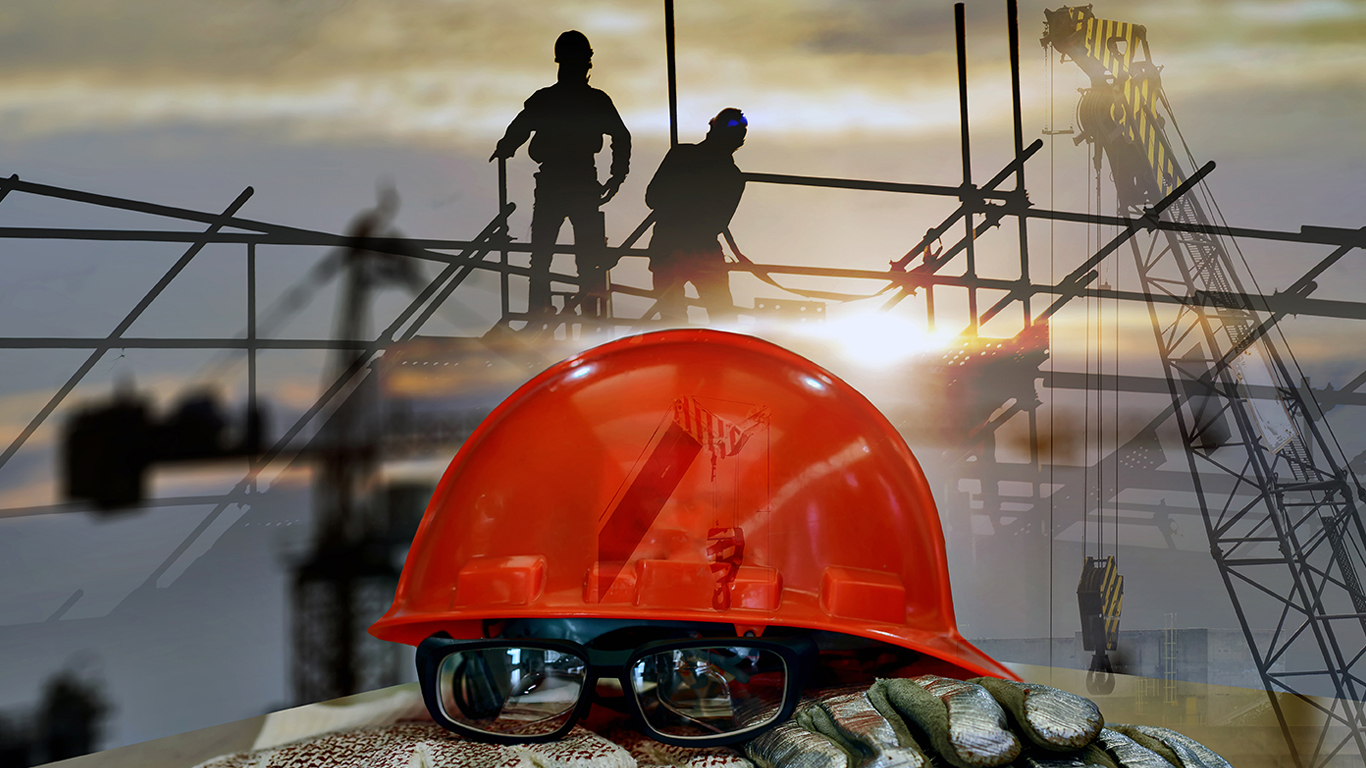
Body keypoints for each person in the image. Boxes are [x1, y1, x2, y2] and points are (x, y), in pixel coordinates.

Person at [490, 30, 631, 320]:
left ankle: (541, 309)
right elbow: (621, 136)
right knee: (580, 258)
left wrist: (507, 146)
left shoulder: (549, 99)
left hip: (559, 182)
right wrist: (616, 177)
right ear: (586, 63)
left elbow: (520, 128)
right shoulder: (592, 101)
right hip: (577, 182)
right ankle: (581, 312)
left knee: (545, 255)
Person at [644, 108, 748, 325]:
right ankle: (722, 357)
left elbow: (653, 198)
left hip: (668, 246)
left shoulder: (681, 155)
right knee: (723, 319)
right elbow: (718, 222)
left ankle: (680, 355)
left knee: (672, 321)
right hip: (702, 251)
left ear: (712, 129)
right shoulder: (732, 177)